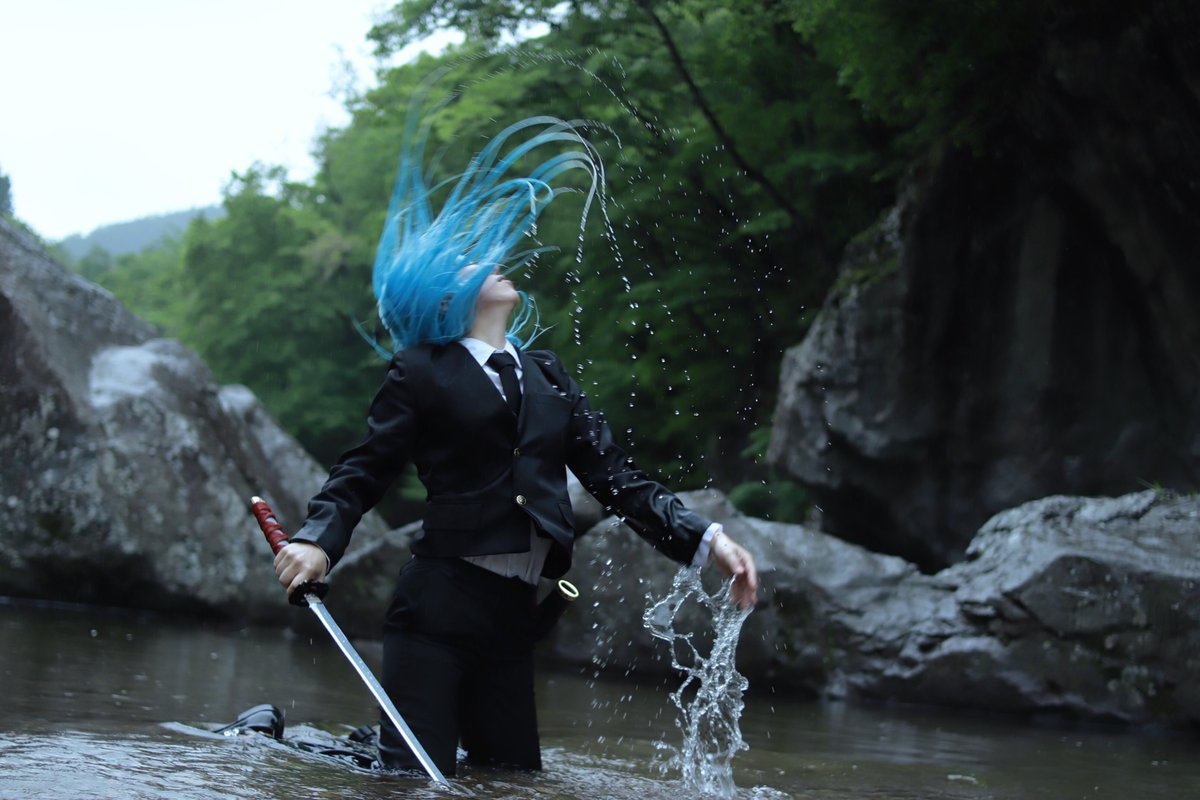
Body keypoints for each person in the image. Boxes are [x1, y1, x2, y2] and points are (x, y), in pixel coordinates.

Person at [272, 109, 759, 777]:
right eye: (472, 263)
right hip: (438, 606)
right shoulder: (421, 372)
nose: (494, 263)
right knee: (408, 781)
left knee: (514, 783)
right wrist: (317, 540)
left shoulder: (547, 375)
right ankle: (279, 740)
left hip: (516, 617)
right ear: (445, 292)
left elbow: (616, 479)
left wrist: (709, 540)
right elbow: (365, 469)